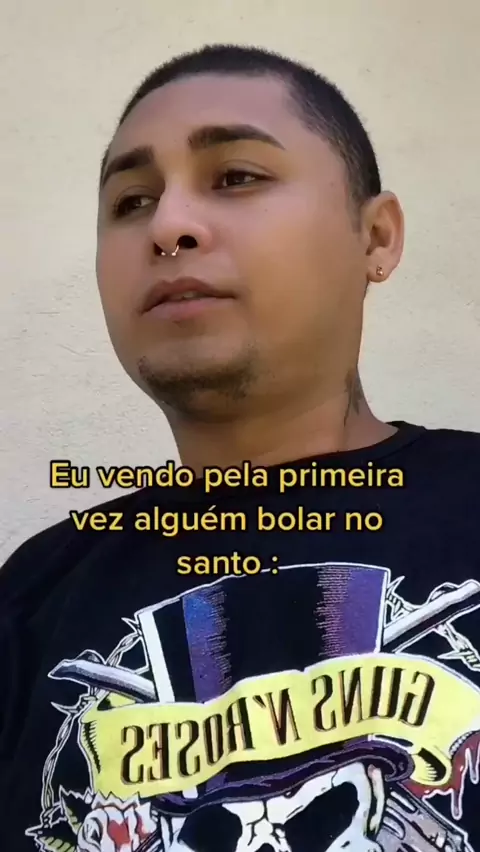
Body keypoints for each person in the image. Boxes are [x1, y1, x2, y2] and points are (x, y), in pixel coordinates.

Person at [0, 42, 479, 852]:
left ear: (376, 237)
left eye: (235, 177)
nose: (168, 226)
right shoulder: (32, 603)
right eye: (131, 201)